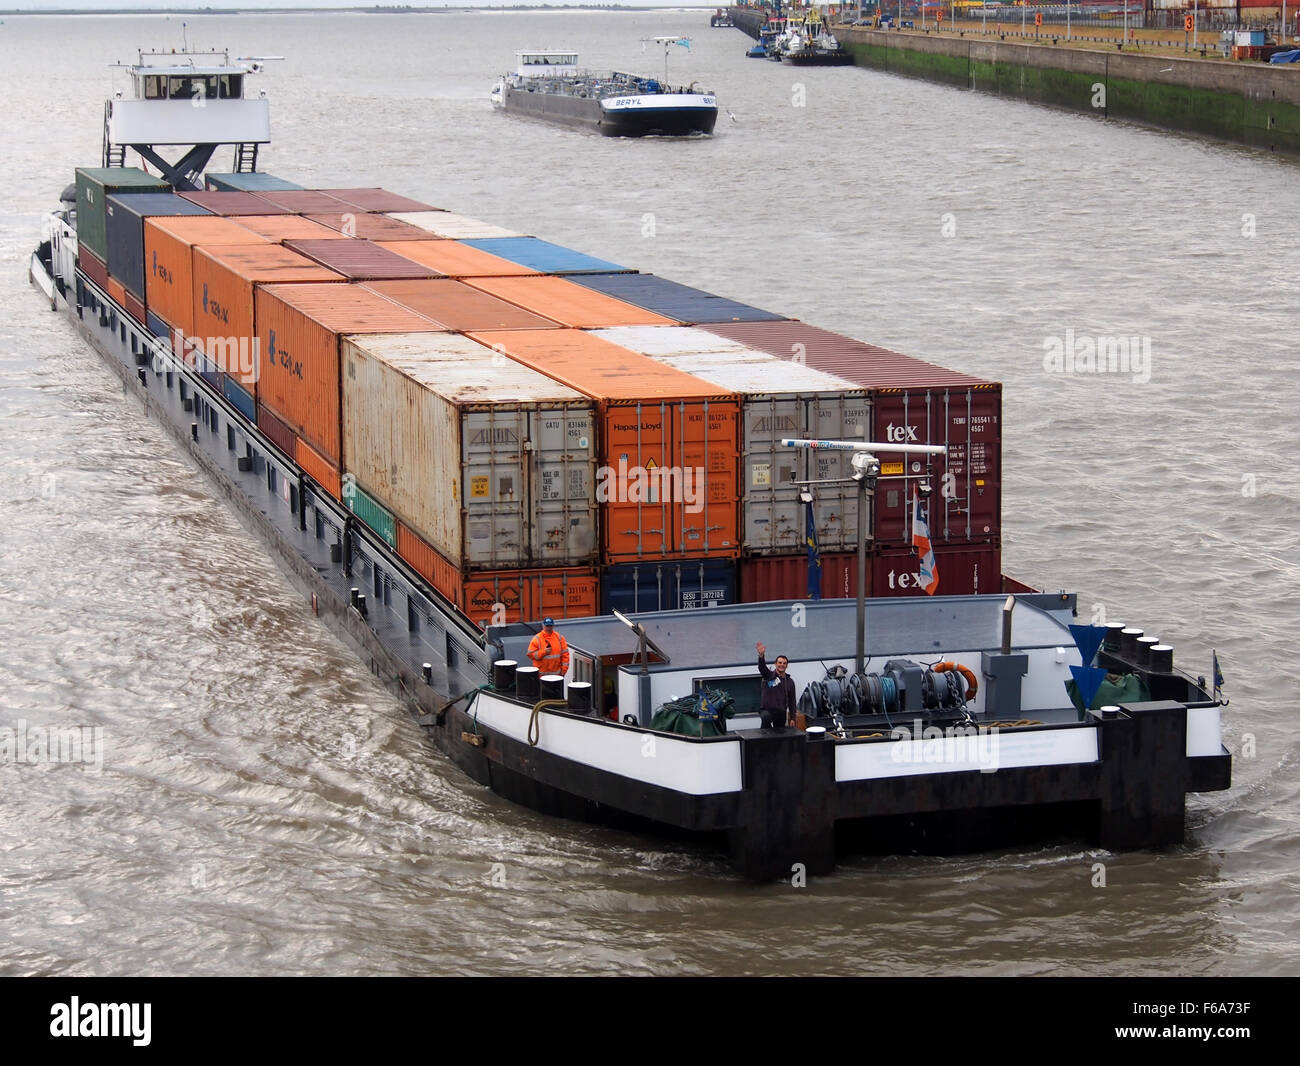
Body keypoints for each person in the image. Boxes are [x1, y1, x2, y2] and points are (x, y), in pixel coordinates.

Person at [755, 642, 796, 730]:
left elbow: (792, 701)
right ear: (775, 664)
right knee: (766, 719)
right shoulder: (769, 675)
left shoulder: (790, 682)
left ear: (787, 665)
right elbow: (762, 668)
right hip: (766, 711)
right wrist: (761, 656)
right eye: (780, 662)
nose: (782, 665)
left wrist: (793, 718)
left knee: (780, 736)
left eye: (784, 663)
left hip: (781, 713)